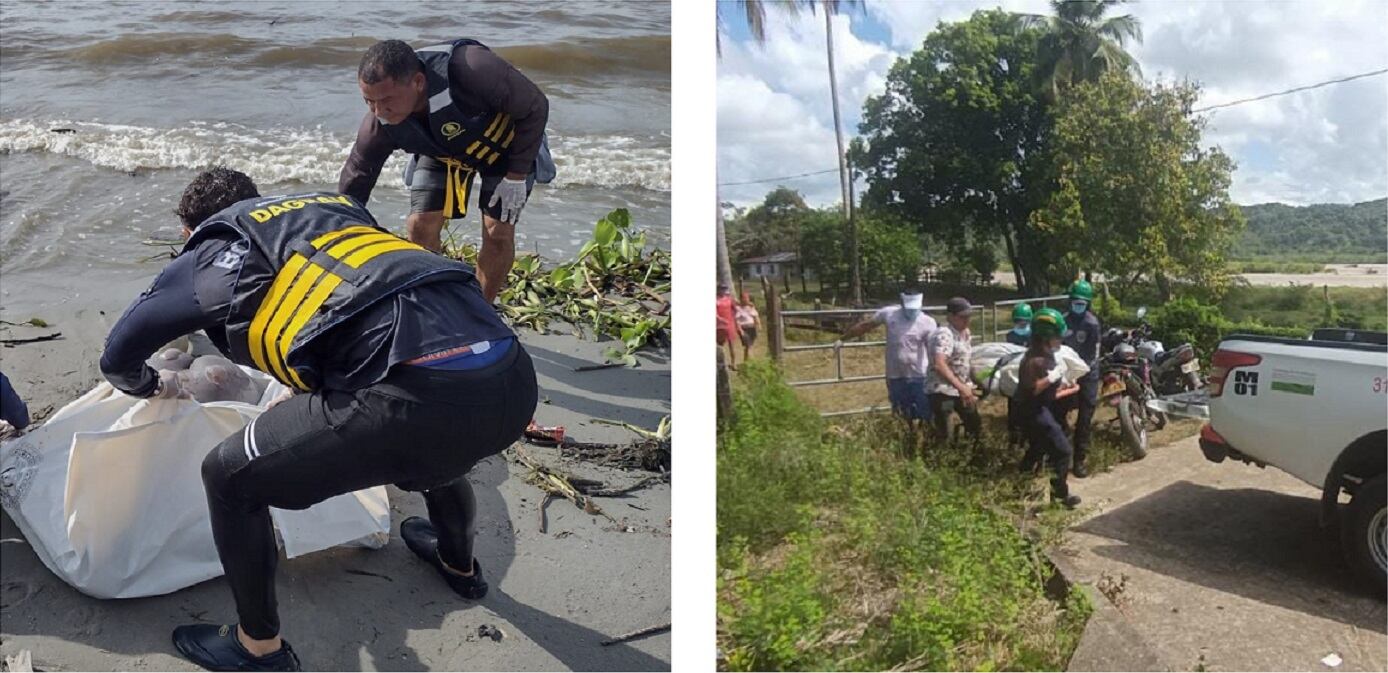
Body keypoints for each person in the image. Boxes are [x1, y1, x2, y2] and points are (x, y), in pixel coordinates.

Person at [99, 168, 538, 671]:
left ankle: (257, 648)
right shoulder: (332, 210)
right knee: (436, 433)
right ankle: (459, 565)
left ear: (188, 232)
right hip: (510, 378)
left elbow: (118, 357)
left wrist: (156, 385)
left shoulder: (216, 251)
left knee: (226, 476)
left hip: (412, 404)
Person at [338, 38, 553, 303]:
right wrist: (340, 227)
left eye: (386, 100)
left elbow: (535, 106)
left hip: (506, 151)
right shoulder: (378, 124)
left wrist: (517, 176)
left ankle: (482, 310)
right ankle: (433, 302)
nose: (379, 111)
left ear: (418, 82)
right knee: (419, 225)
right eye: (369, 101)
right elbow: (357, 175)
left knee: (497, 231)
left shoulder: (472, 68)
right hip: (443, 153)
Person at [1015, 308, 1083, 508]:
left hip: (1038, 409)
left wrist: (1065, 387)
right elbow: (1032, 389)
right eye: (1057, 337)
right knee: (1062, 451)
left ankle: (1017, 489)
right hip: (1032, 412)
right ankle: (1059, 497)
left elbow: (1048, 393)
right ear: (1046, 337)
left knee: (1037, 449)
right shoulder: (1034, 360)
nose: (1060, 341)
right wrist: (1052, 377)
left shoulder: (1044, 355)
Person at [840, 291, 937, 425]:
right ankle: (906, 437)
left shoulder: (928, 322)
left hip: (919, 374)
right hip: (895, 375)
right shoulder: (889, 314)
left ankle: (925, 437)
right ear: (902, 303)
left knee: (925, 411)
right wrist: (843, 339)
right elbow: (866, 325)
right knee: (900, 412)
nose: (912, 311)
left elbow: (934, 348)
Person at [1060, 279, 1101, 478]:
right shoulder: (1063, 320)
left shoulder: (1092, 324)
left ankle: (1080, 460)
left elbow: (1092, 355)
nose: (1078, 305)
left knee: (1084, 417)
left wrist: (1079, 373)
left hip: (1086, 373)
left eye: (1082, 303)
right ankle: (1061, 455)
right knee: (1058, 412)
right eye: (1075, 301)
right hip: (1066, 374)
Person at [926, 297, 981, 441]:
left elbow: (964, 361)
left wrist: (974, 382)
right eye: (962, 317)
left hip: (961, 389)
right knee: (945, 434)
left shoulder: (964, 334)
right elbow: (940, 364)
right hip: (943, 389)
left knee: (974, 425)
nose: (967, 320)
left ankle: (969, 457)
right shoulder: (944, 334)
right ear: (950, 316)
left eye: (969, 316)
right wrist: (961, 387)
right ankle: (942, 460)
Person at [1004, 303, 1034, 449]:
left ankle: (1028, 438)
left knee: (1029, 411)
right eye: (1018, 321)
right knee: (1014, 410)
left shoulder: (1034, 336)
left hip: (1030, 377)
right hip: (1014, 377)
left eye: (1024, 322)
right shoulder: (1010, 336)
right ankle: (1014, 441)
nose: (1021, 325)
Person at [716, 285, 742, 370]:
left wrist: (734, 316)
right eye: (721, 289)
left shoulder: (729, 300)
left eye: (724, 289)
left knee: (732, 345)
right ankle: (720, 363)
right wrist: (720, 319)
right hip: (719, 326)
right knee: (720, 345)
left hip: (729, 324)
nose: (723, 291)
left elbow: (736, 309)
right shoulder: (716, 300)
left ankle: (733, 363)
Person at [735, 291, 761, 362]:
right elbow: (737, 321)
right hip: (744, 329)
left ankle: (746, 361)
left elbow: (756, 316)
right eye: (744, 298)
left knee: (749, 346)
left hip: (752, 328)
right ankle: (750, 362)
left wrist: (758, 325)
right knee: (748, 346)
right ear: (741, 299)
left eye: (747, 298)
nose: (746, 299)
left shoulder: (751, 307)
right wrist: (740, 330)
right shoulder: (738, 308)